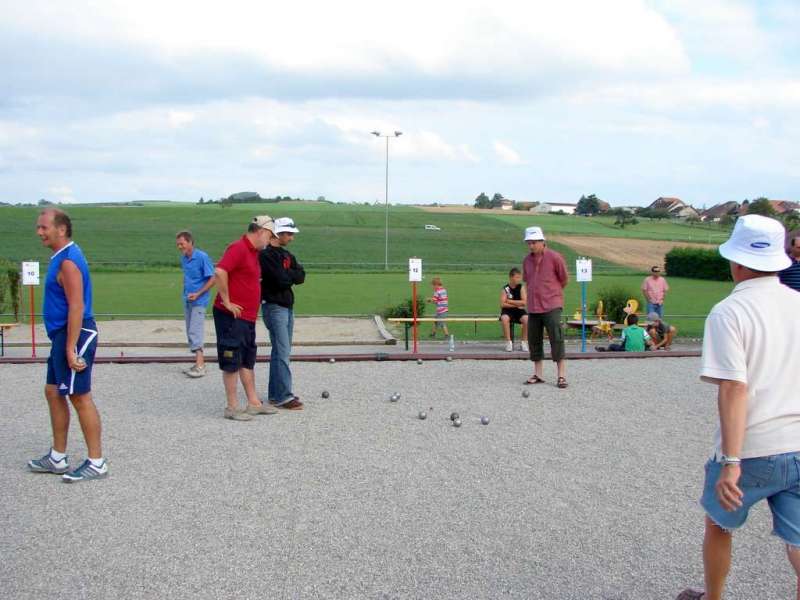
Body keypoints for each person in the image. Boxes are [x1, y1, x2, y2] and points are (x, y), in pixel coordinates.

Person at [676, 215, 800, 600]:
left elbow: (733, 388)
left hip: (752, 449)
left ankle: (713, 598)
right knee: (798, 541)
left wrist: (731, 461)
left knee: (719, 524)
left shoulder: (729, 312)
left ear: (739, 261)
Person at [28, 208, 107, 483]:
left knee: (79, 396)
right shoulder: (61, 258)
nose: (39, 232)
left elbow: (77, 305)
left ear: (61, 229)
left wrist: (71, 347)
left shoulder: (68, 261)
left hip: (75, 333)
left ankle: (96, 462)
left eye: (43, 227)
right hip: (63, 335)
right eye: (38, 227)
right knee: (53, 391)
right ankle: (57, 457)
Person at [213, 216, 278, 421]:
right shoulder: (239, 247)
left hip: (247, 317)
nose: (269, 241)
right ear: (259, 231)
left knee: (248, 358)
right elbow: (220, 270)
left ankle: (254, 403)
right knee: (232, 358)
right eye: (269, 236)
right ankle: (232, 407)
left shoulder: (254, 253)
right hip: (231, 315)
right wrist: (227, 301)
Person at [259, 217, 306, 410]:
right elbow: (279, 280)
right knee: (283, 351)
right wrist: (289, 277)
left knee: (280, 350)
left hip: (287, 306)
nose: (292, 238)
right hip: (274, 306)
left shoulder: (287, 255)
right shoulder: (266, 255)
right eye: (289, 234)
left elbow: (301, 276)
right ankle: (284, 396)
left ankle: (275, 394)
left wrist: (288, 276)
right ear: (279, 233)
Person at [522, 226, 569, 389]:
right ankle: (538, 374)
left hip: (552, 305)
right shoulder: (526, 260)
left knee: (556, 338)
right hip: (534, 306)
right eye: (529, 243)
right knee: (534, 340)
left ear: (543, 242)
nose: (531, 246)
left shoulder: (556, 257)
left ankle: (561, 376)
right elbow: (528, 280)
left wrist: (552, 293)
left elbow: (564, 279)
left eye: (534, 242)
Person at [176, 230, 215, 377]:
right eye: (178, 244)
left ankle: (200, 366)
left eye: (182, 243)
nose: (180, 247)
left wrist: (198, 293)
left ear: (190, 242)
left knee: (195, 330)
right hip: (187, 299)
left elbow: (213, 279)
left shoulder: (202, 257)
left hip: (199, 300)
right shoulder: (184, 258)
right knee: (190, 331)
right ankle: (199, 362)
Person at [499, 267, 529, 352]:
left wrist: (509, 301)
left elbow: (524, 302)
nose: (519, 279)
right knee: (504, 318)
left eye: (520, 277)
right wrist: (516, 305)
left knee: (526, 319)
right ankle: (509, 342)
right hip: (507, 311)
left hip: (519, 311)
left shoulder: (521, 287)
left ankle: (524, 342)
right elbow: (502, 304)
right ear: (511, 277)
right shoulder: (505, 289)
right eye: (517, 277)